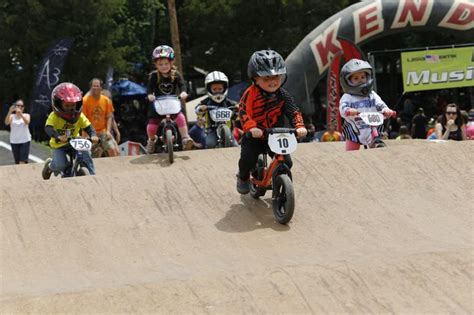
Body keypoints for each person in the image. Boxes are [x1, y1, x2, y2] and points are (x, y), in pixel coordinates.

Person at [236, 50, 307, 194]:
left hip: (276, 135)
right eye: (267, 78)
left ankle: (276, 179)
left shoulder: (283, 95)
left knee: (287, 162)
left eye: (276, 76)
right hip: (254, 136)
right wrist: (251, 128)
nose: (273, 81)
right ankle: (242, 178)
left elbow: (293, 111)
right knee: (248, 159)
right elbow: (243, 112)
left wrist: (299, 126)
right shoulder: (250, 93)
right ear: (255, 78)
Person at [42, 83, 99, 180]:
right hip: (59, 145)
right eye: (67, 105)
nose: (70, 108)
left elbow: (89, 127)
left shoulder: (79, 116)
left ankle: (92, 176)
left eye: (73, 105)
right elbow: (48, 128)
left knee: (86, 154)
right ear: (58, 104)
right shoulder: (54, 116)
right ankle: (50, 166)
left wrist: (93, 135)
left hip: (75, 142)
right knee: (60, 165)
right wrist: (58, 136)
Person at [145, 45, 194, 153]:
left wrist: (183, 93)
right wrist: (150, 95)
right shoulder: (153, 76)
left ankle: (185, 138)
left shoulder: (175, 74)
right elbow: (149, 88)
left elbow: (182, 85)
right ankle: (152, 140)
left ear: (171, 63)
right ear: (156, 65)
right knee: (151, 127)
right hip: (158, 103)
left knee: (180, 117)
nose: (164, 66)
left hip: (173, 102)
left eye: (166, 63)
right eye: (160, 64)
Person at [339, 58, 394, 150]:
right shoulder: (348, 96)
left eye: (363, 77)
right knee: (351, 153)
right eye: (356, 78)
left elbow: (379, 103)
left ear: (368, 78)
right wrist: (348, 110)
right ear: (348, 81)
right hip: (355, 130)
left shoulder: (372, 95)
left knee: (377, 141)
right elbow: (342, 106)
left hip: (371, 127)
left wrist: (386, 110)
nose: (360, 80)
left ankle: (376, 144)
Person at [189, 71, 237, 148]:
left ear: (224, 88)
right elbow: (197, 110)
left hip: (228, 131)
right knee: (210, 143)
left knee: (235, 145)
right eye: (214, 89)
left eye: (220, 89)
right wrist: (201, 108)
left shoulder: (228, 102)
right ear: (209, 89)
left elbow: (237, 111)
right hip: (211, 130)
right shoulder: (206, 102)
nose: (217, 91)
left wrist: (237, 108)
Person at [82, 78, 120, 157]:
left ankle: (115, 168)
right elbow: (83, 119)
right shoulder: (85, 100)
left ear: (101, 88)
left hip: (103, 131)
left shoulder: (106, 100)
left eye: (97, 86)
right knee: (92, 154)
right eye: (93, 86)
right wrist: (85, 134)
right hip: (90, 132)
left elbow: (110, 117)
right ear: (90, 87)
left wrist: (109, 131)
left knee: (113, 150)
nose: (95, 88)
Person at [4, 99, 31, 164]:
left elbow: (27, 122)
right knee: (17, 162)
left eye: (22, 106)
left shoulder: (26, 115)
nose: (20, 107)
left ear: (23, 108)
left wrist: (21, 114)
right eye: (18, 105)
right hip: (14, 141)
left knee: (22, 161)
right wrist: (10, 111)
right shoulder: (11, 116)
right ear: (15, 107)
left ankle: (23, 172)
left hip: (25, 140)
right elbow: (6, 122)